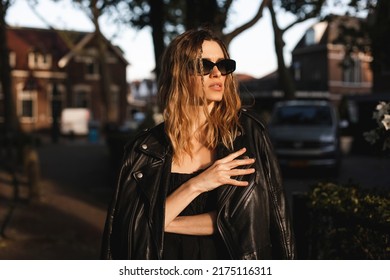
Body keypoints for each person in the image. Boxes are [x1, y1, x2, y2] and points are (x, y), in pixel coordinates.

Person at [101, 28, 296, 260]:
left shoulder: (250, 135)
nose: (216, 73)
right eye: (204, 65)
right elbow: (126, 231)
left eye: (223, 65)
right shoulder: (144, 149)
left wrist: (162, 222)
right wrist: (197, 184)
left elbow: (259, 219)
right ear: (179, 74)